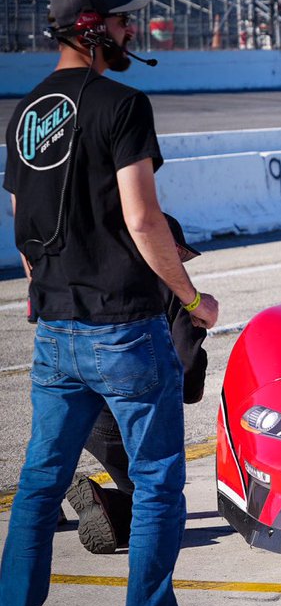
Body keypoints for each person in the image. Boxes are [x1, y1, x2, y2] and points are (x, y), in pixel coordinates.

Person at [0, 0, 225, 606]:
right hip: (124, 327)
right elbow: (143, 218)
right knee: (158, 482)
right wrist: (191, 299)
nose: (133, 32)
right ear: (93, 29)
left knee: (39, 485)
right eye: (124, 23)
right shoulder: (122, 104)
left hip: (55, 327)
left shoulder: (25, 111)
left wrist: (51, 295)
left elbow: (22, 224)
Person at [65, 214, 208, 555]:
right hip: (127, 417)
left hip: (79, 414)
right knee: (159, 507)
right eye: (179, 254)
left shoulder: (92, 280)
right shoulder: (173, 291)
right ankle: (107, 504)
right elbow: (187, 372)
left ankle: (50, 497)